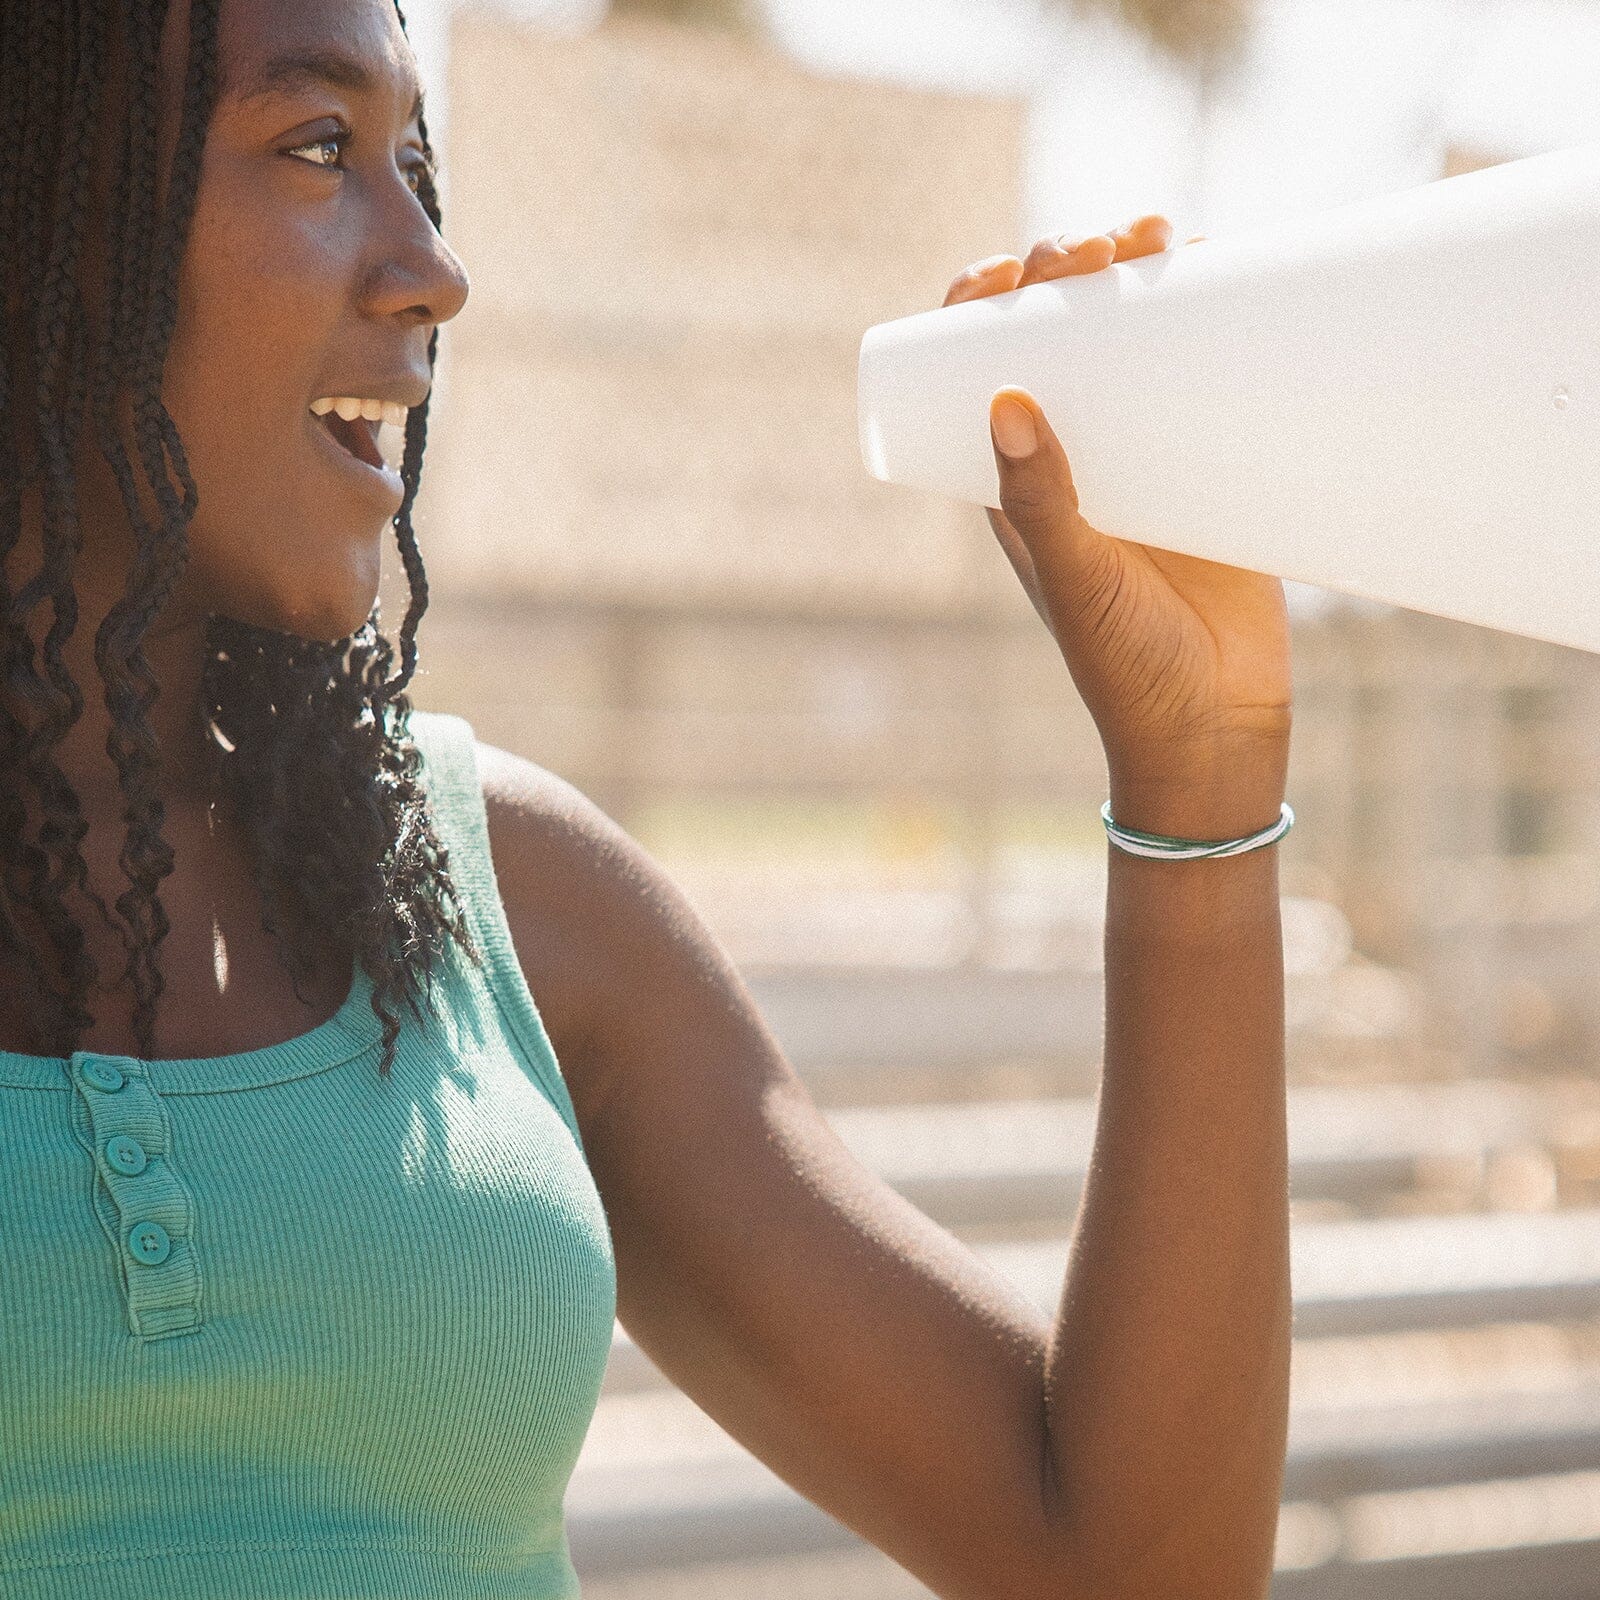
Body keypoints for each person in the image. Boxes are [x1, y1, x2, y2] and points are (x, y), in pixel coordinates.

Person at [0, 1, 1294, 1597]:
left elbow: (1124, 1568)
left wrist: (1203, 782)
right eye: (319, 146)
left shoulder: (511, 904)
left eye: (415, 157)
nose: (432, 268)